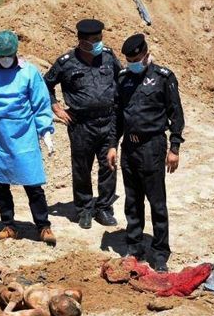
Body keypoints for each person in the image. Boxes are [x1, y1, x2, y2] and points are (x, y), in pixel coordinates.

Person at [0, 30, 57, 246]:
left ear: (16, 52)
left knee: (33, 183)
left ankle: (43, 226)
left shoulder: (29, 73)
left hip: (23, 133)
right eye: (1, 56)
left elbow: (41, 104)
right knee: (0, 182)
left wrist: (45, 132)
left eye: (8, 55)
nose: (5, 60)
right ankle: (9, 225)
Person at [107, 34, 184, 273]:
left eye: (137, 59)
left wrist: (174, 148)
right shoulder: (123, 79)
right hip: (129, 147)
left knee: (157, 203)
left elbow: (176, 114)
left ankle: (160, 254)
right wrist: (112, 144)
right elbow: (117, 116)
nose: (133, 63)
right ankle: (135, 247)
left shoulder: (163, 77)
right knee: (132, 201)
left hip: (152, 146)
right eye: (129, 60)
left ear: (146, 54)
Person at [45, 19, 122, 229]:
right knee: (82, 168)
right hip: (81, 124)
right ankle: (85, 209)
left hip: (108, 121)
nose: (99, 43)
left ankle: (104, 208)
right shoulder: (66, 62)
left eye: (100, 39)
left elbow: (121, 78)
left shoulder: (108, 56)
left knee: (109, 165)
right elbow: (45, 84)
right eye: (94, 40)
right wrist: (57, 108)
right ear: (82, 41)